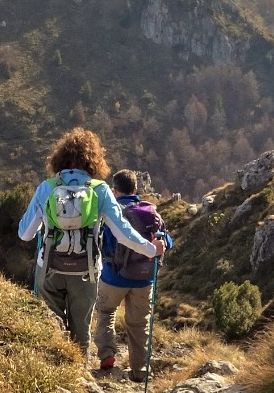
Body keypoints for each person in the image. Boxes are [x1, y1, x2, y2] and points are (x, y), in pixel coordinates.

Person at [18, 129, 164, 356]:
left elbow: (25, 234)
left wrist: (45, 222)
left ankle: (51, 378)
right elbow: (123, 233)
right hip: (86, 273)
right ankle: (77, 380)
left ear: (59, 159)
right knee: (81, 333)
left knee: (48, 329)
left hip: (48, 270)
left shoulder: (47, 187)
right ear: (94, 161)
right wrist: (150, 250)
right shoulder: (101, 190)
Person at [94, 170, 173, 383]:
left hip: (113, 278)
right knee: (139, 325)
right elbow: (167, 241)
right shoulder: (151, 212)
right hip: (145, 280)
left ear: (114, 190)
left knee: (106, 312)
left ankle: (107, 355)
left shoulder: (114, 212)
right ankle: (140, 371)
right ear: (136, 190)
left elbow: (105, 242)